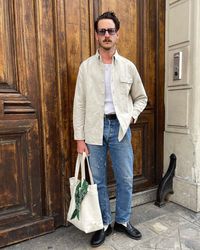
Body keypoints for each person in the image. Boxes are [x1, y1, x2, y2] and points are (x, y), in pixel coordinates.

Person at [73, 11, 147, 247]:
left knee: (125, 178)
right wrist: (79, 138)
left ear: (117, 34)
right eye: (102, 31)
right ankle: (104, 222)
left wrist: (131, 116)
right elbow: (79, 104)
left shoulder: (128, 67)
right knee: (98, 182)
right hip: (93, 130)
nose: (106, 35)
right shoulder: (86, 67)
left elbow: (141, 98)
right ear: (96, 35)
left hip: (120, 129)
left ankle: (123, 221)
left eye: (110, 31)